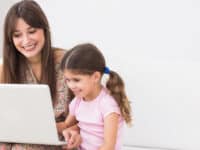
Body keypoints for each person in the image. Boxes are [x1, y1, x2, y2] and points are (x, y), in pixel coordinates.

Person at [0, 0, 81, 149]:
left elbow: (94, 110)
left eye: (31, 32)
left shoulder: (69, 62)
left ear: (44, 29)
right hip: (20, 140)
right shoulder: (6, 69)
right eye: (17, 35)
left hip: (62, 141)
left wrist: (75, 130)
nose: (26, 41)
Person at [58, 43, 132, 150]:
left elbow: (108, 146)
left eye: (76, 80)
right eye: (67, 80)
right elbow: (66, 124)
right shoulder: (78, 100)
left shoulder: (108, 105)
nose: (71, 86)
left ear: (96, 77)